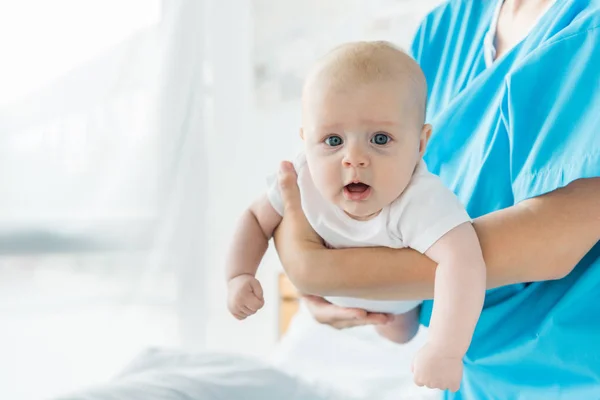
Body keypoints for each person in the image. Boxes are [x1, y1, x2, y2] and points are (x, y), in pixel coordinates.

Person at [272, 0, 600, 398]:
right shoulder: (446, 29)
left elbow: (551, 240)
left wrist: (325, 271)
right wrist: (351, 289)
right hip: (466, 379)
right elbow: (402, 203)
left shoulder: (587, 29)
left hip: (570, 379)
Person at [225, 41, 486, 391]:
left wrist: (444, 350)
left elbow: (464, 262)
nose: (354, 158)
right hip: (330, 297)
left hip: (398, 306)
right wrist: (239, 275)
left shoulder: (422, 199)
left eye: (380, 138)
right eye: (333, 141)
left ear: (420, 144)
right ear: (306, 142)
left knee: (400, 333)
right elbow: (256, 219)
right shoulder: (304, 177)